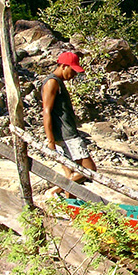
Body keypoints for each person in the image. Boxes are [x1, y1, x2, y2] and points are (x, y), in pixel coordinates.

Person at [41, 50, 96, 197]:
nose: (74, 75)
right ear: (64, 66)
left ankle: (71, 209)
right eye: (72, 70)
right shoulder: (52, 82)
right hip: (67, 135)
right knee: (89, 169)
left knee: (71, 174)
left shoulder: (57, 82)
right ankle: (53, 191)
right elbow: (46, 111)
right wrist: (50, 141)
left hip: (65, 133)